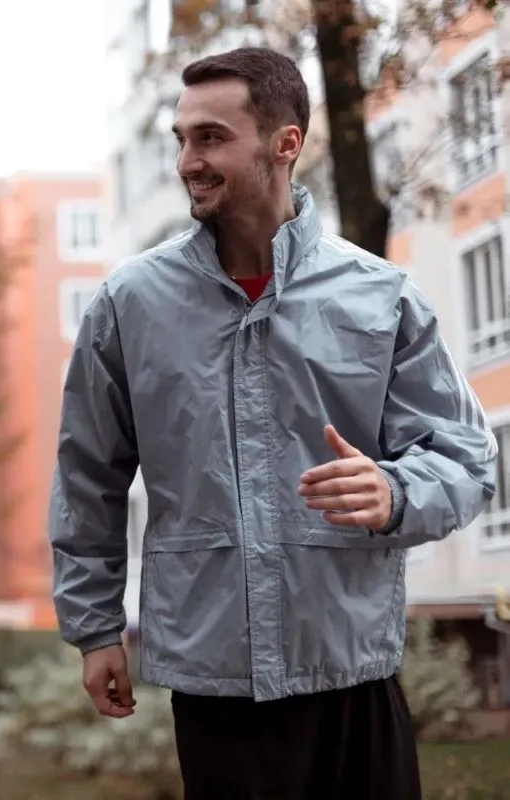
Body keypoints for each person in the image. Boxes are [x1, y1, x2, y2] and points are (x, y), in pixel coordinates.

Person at [49, 47, 498, 800]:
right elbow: (88, 476)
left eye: (212, 138)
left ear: (285, 143)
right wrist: (95, 629)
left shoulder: (380, 296)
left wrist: (394, 493)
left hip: (352, 669)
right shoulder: (130, 305)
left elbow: (464, 456)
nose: (189, 160)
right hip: (216, 687)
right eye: (182, 138)